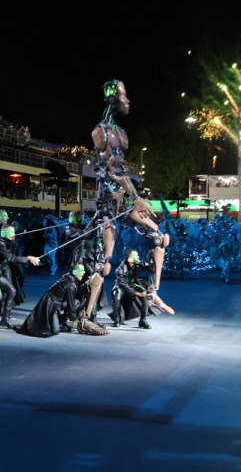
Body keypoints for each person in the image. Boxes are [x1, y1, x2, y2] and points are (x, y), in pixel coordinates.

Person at [85, 80, 169, 318]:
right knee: (106, 260)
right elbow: (112, 170)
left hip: (124, 199)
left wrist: (134, 197)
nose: (127, 100)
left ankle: (153, 290)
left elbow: (120, 170)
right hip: (109, 201)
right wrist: (137, 195)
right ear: (112, 98)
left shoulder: (119, 133)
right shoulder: (100, 132)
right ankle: (86, 316)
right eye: (123, 96)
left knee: (159, 237)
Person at [0, 224, 40, 329]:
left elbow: (13, 249)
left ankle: (5, 319)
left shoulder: (4, 242)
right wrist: (29, 258)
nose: (14, 234)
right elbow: (11, 258)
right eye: (11, 232)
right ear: (4, 232)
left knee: (12, 291)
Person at [14, 264, 85, 338]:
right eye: (81, 271)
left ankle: (62, 321)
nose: (83, 273)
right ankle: (57, 318)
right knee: (55, 331)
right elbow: (71, 304)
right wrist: (74, 319)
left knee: (76, 302)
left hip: (55, 303)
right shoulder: (71, 285)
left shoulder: (67, 276)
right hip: (52, 306)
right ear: (75, 272)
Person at [110, 249, 174, 330]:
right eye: (135, 256)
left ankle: (142, 321)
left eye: (137, 256)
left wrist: (151, 260)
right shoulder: (120, 269)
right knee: (117, 297)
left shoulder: (139, 264)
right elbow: (123, 284)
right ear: (129, 259)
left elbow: (150, 269)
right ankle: (117, 319)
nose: (138, 258)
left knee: (146, 295)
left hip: (133, 284)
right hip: (121, 287)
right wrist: (138, 293)